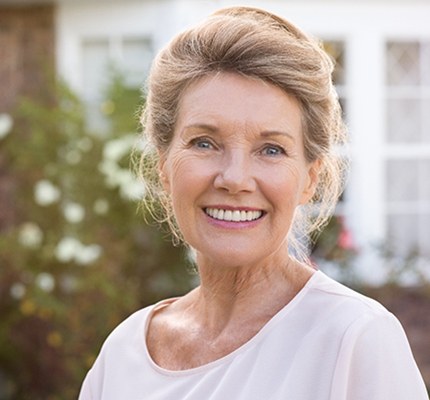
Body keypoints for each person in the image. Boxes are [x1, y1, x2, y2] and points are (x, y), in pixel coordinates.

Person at [79, 6, 428, 399]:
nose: (235, 179)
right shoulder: (123, 353)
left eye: (271, 149)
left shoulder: (353, 337)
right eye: (205, 143)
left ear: (309, 178)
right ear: (163, 165)